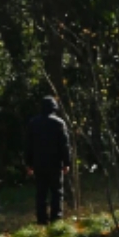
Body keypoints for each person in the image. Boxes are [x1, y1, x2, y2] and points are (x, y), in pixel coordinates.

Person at [24, 95, 72, 224]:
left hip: (39, 163)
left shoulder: (33, 123)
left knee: (41, 193)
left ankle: (42, 220)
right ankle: (56, 219)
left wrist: (28, 164)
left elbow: (29, 145)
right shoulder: (59, 123)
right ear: (54, 108)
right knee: (57, 192)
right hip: (55, 163)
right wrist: (67, 162)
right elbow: (64, 144)